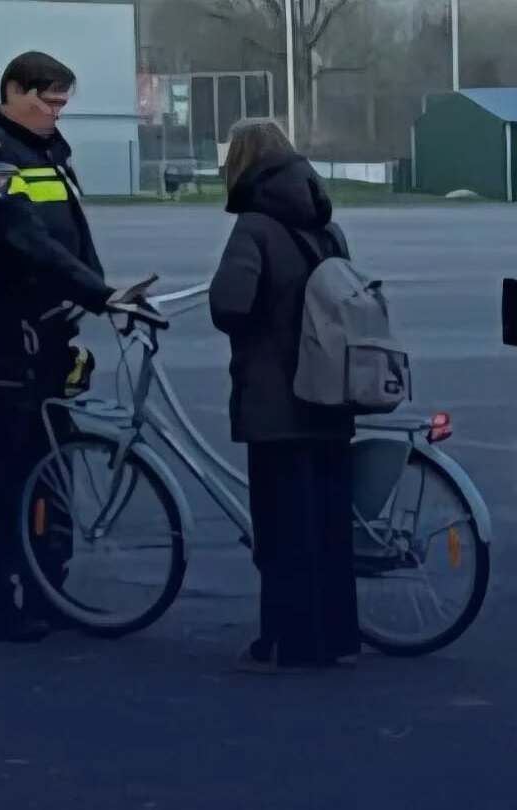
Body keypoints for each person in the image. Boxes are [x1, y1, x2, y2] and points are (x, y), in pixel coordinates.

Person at [0, 52, 118, 643]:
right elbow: (23, 240)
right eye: (45, 100)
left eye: (62, 103)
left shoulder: (45, 150)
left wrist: (98, 291)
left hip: (46, 335)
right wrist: (99, 293)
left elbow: (71, 238)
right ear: (12, 90)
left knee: (48, 470)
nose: (53, 113)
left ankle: (47, 588)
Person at [210, 119, 359, 671]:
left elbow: (230, 305)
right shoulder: (328, 228)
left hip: (277, 399)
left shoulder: (254, 227)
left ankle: (293, 639)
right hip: (334, 391)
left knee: (281, 527)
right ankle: (335, 635)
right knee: (327, 524)